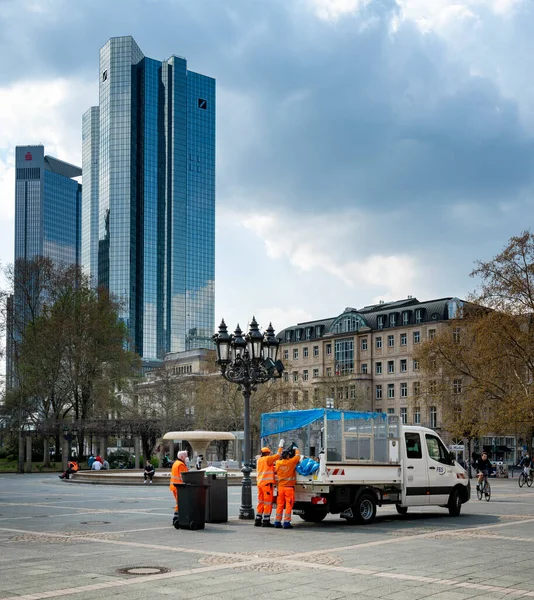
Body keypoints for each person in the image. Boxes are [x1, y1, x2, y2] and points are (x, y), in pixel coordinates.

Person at [254, 439, 284, 528]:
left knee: (261, 502)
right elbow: (278, 456)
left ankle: (258, 520)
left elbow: (268, 469)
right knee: (267, 502)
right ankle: (266, 521)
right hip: (267, 484)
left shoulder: (259, 460)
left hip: (260, 483)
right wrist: (280, 447)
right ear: (267, 453)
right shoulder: (268, 459)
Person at [274, 444, 301, 529]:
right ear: (288, 455)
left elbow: (277, 457)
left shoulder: (278, 463)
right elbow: (298, 456)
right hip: (289, 488)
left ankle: (277, 522)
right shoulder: (291, 462)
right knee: (288, 505)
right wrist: (296, 449)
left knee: (280, 505)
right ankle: (286, 522)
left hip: (281, 487)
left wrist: (280, 447)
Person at [170, 450, 189, 524]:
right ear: (181, 457)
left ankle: (178, 517)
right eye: (185, 456)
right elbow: (184, 476)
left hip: (174, 486)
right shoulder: (181, 465)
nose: (186, 458)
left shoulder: (175, 463)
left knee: (179, 502)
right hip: (180, 487)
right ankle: (176, 518)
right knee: (180, 503)